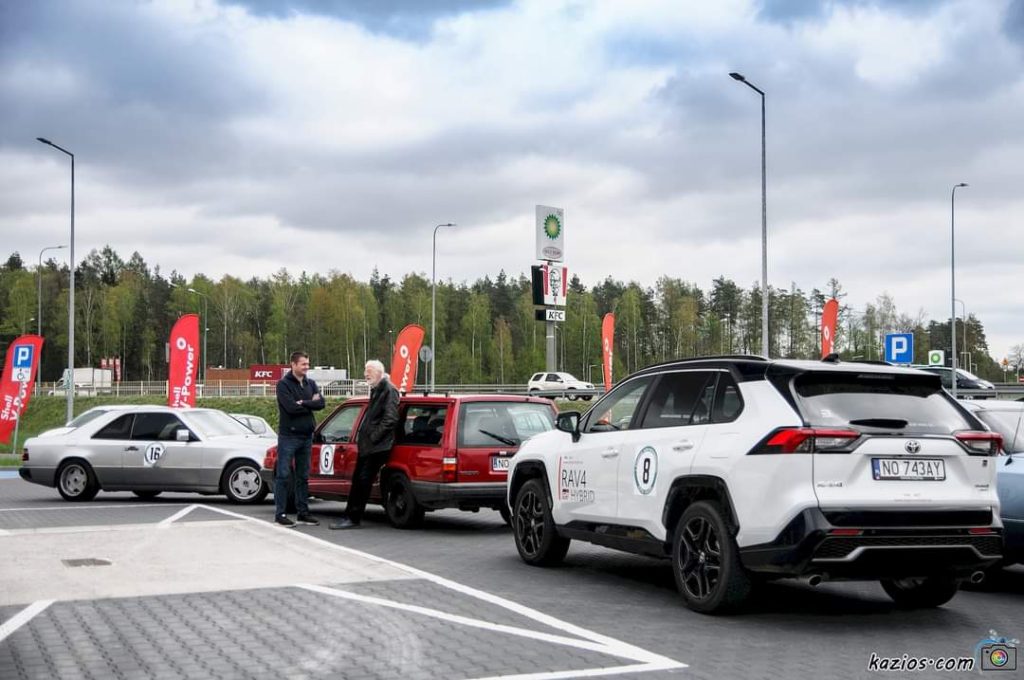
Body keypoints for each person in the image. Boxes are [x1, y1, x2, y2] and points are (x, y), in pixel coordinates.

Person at [330, 359, 399, 530]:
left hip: (378, 446)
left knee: (363, 481)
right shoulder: (377, 390)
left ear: (379, 372)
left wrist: (374, 437)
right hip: (369, 446)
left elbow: (390, 419)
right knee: (358, 480)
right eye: (365, 371)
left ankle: (353, 518)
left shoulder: (389, 390)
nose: (365, 374)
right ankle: (349, 516)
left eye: (369, 371)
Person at [274, 351, 324, 527]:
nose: (306, 367)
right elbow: (290, 408)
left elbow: (321, 404)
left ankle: (303, 513)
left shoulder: (311, 383)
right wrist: (309, 403)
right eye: (303, 364)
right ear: (293, 365)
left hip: (306, 436)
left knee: (303, 476)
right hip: (289, 436)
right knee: (283, 475)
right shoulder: (283, 385)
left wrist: (303, 403)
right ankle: (280, 514)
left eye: (308, 364)